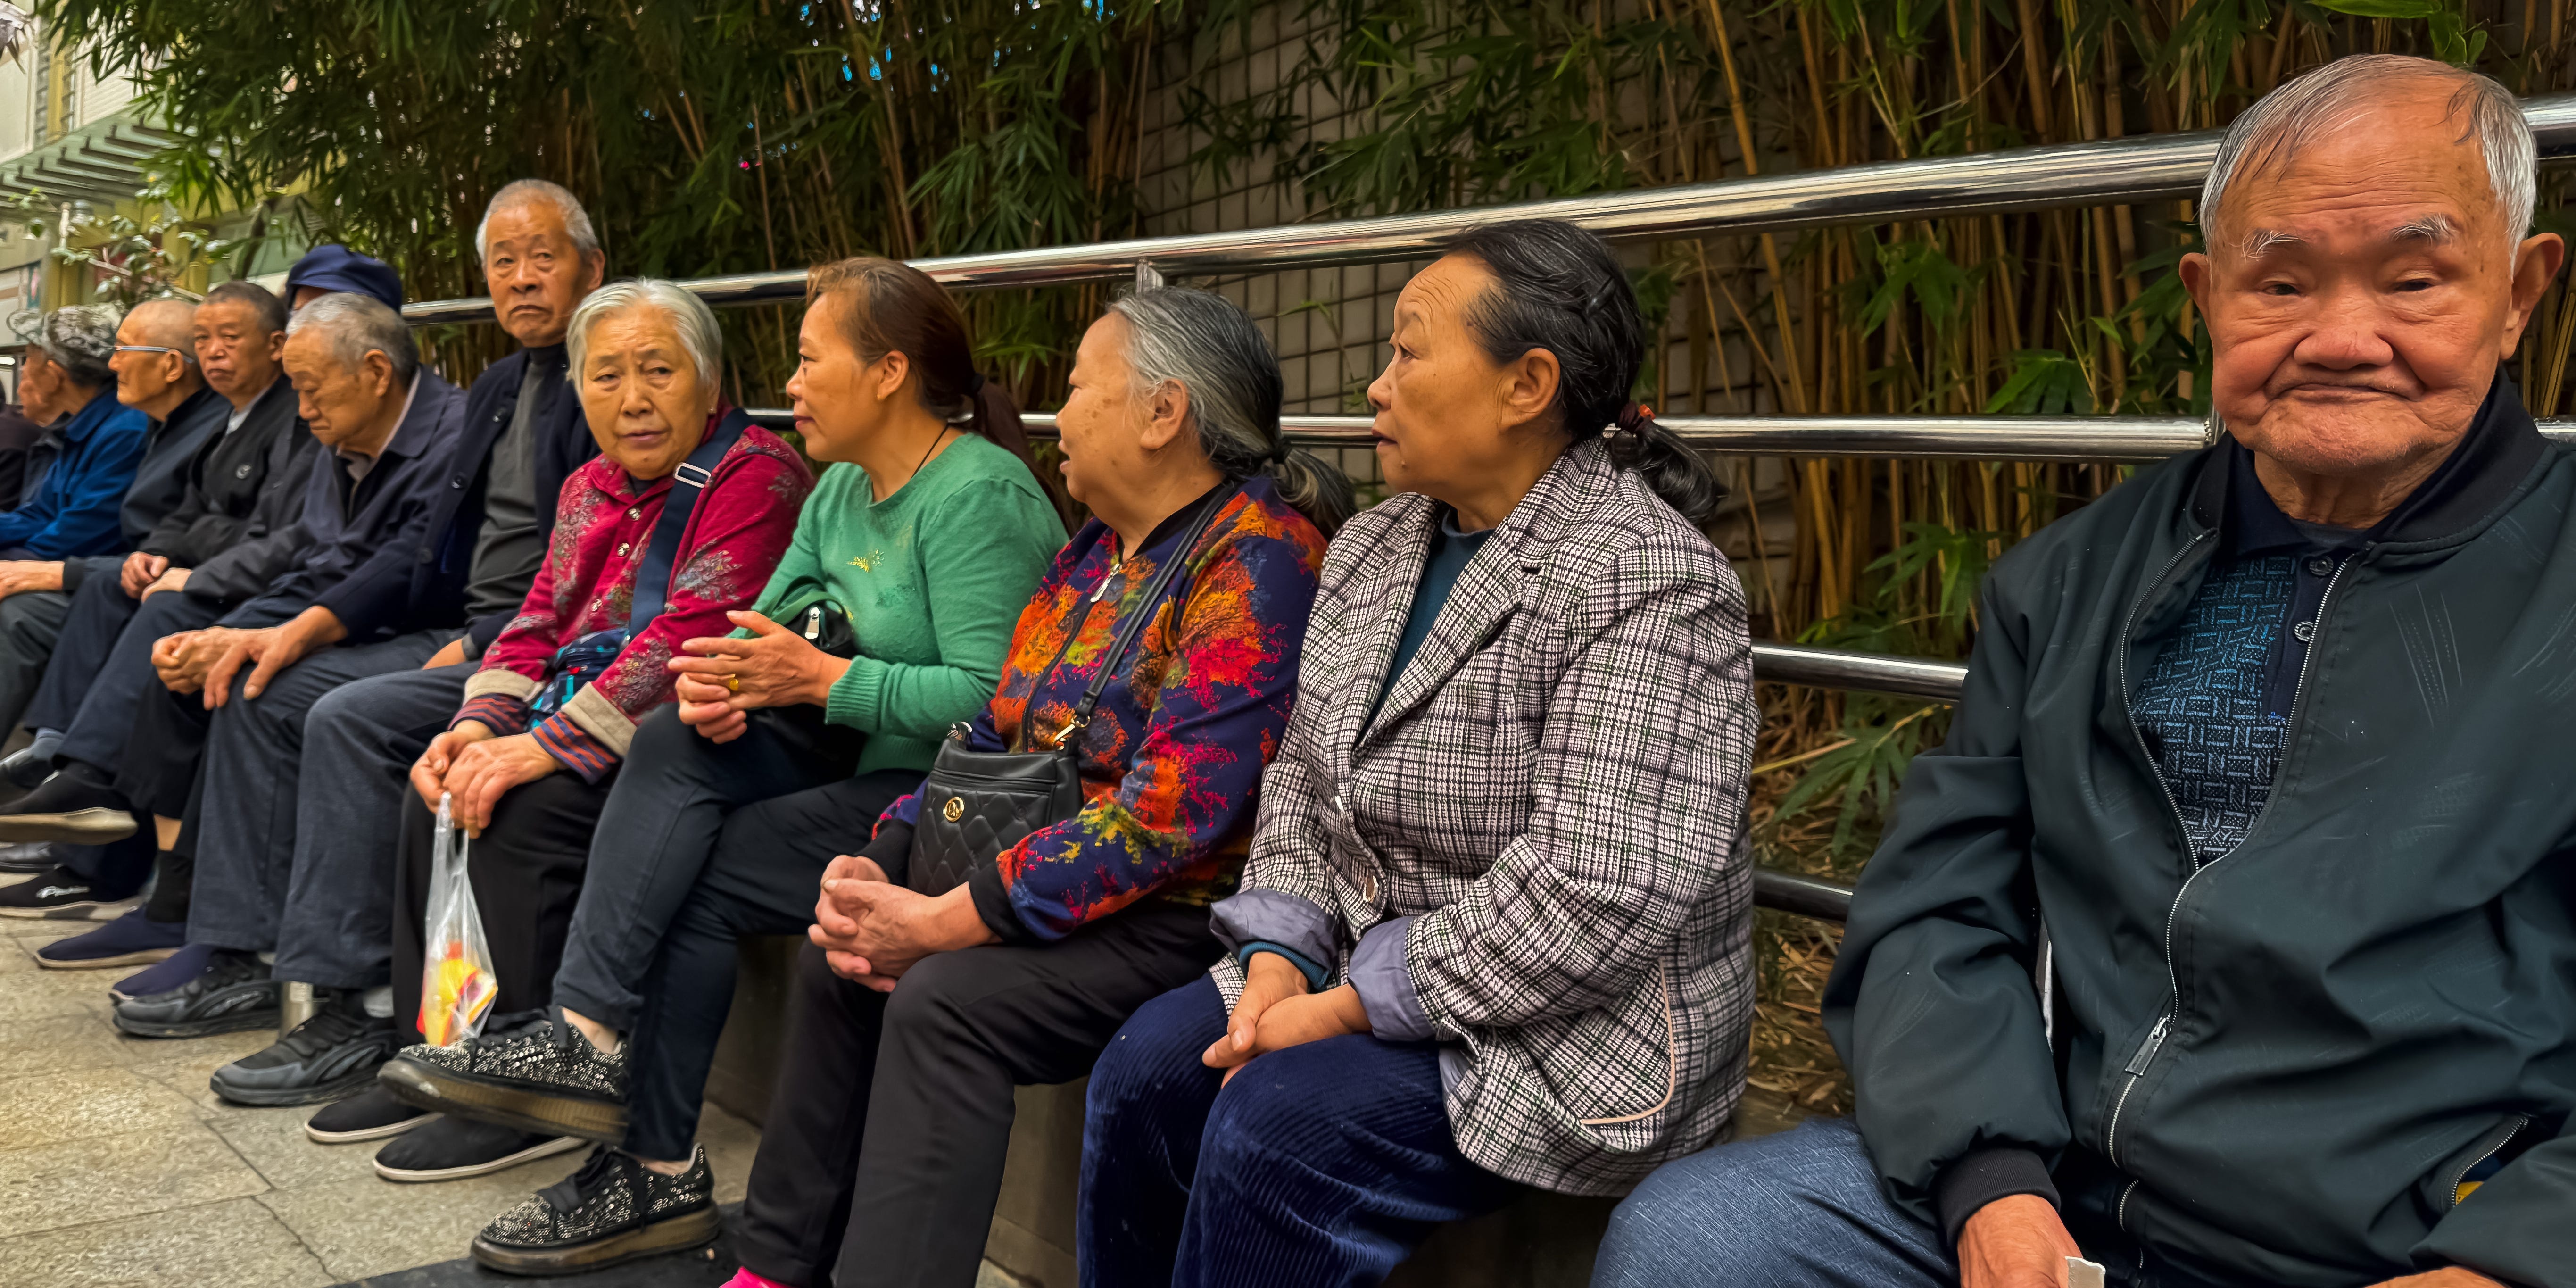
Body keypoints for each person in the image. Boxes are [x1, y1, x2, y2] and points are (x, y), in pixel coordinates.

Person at [1595, 55, 2576, 1288]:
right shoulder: (2071, 577)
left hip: (2415, 1241)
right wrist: (1989, 1184)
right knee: (1701, 1237)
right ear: (2203, 297)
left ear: (2516, 293)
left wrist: (2500, 1261)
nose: (2337, 337)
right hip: (2071, 1197)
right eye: (2278, 281)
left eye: (2411, 277)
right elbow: (1937, 907)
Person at [1077, 220, 1752, 1288]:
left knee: (1274, 1127)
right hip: (1353, 957)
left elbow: (1596, 889)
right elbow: (1300, 777)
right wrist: (1276, 960)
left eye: (1408, 350)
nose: (1375, 383)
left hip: (1569, 1023)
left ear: (1526, 385)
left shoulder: (1647, 580)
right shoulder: (1375, 545)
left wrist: (1343, 1006)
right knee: (1146, 1071)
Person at [356, 256, 1068, 1187]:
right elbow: (748, 634)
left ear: (888, 372)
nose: (793, 384)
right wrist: (721, 687)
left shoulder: (975, 493)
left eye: (812, 362)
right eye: (606, 376)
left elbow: (996, 706)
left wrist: (821, 679)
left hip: (952, 797)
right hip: (850, 764)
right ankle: (588, 1068)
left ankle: (636, 1144)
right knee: (670, 741)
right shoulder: (844, 488)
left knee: (679, 863)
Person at [196, 280, 805, 1153]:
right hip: (569, 698)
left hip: (683, 726)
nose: (630, 400)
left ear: (710, 382)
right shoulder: (590, 483)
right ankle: (439, 1048)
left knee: (523, 804)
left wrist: (541, 748)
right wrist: (481, 725)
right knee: (435, 780)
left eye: (657, 371)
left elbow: (689, 637)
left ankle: (527, 1084)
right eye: (604, 378)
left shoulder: (754, 475)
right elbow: (534, 623)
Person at [46, 182, 603, 1028]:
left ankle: (351, 997)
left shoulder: (595, 385)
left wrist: (476, 641)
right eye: (503, 261)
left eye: (543, 257)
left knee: (336, 712)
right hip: (463, 626)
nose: (522, 278)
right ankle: (237, 950)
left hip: (527, 646)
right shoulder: (497, 388)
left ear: (593, 268)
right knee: (254, 676)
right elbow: (416, 555)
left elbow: (603, 565)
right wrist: (275, 631)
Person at [0, 306, 150, 564]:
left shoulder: (126, 432)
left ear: (54, 375)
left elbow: (82, 532)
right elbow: (41, 514)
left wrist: (15, 560)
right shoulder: (78, 428)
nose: (24, 371)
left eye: (29, 360)